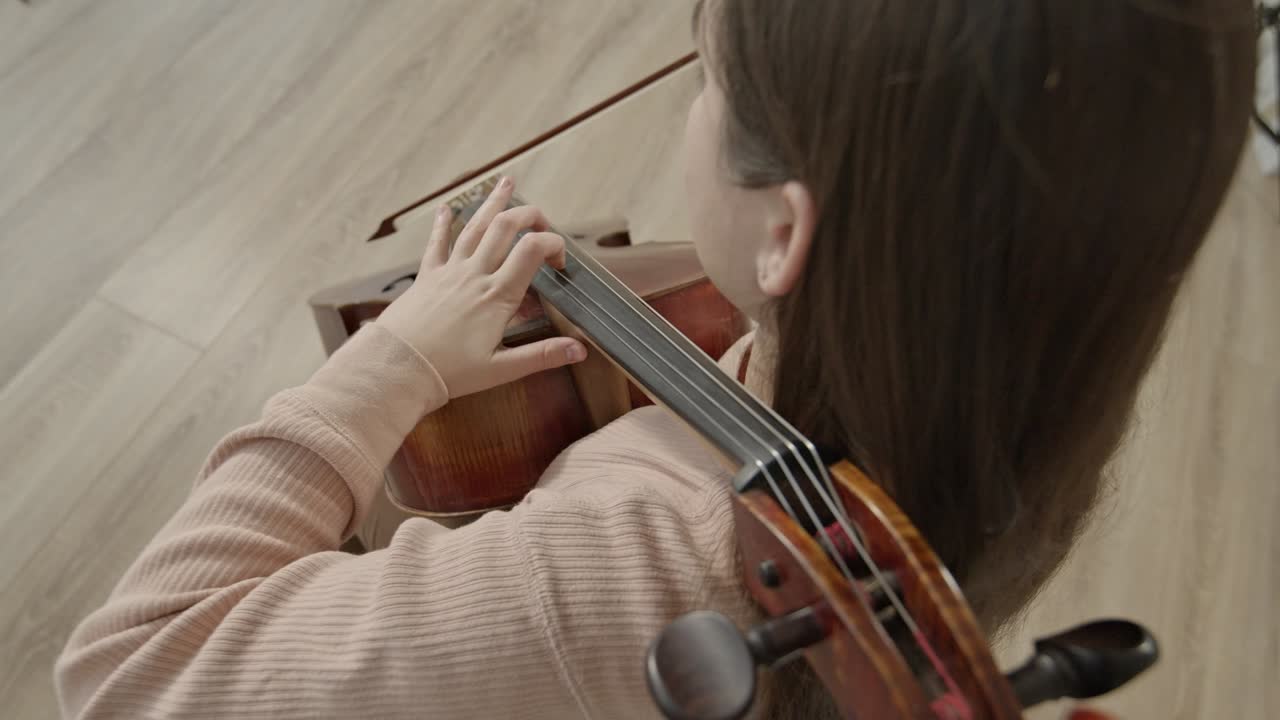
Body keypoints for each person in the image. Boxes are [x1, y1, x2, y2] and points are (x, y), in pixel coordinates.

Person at [55, 0, 1256, 717]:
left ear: (785, 231)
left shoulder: (617, 575)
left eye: (706, 77)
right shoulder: (1013, 426)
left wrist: (391, 370)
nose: (692, 102)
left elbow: (130, 671)